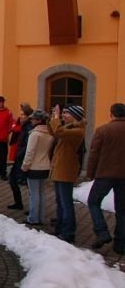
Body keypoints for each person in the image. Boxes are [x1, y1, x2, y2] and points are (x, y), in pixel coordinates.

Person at [86, 103, 125, 255]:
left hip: (105, 174)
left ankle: (102, 231)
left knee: (93, 202)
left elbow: (94, 154)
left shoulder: (103, 130)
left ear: (112, 114)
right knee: (122, 210)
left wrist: (90, 173)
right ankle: (120, 244)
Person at [48, 104, 86, 244]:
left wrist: (56, 118)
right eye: (63, 113)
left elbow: (58, 132)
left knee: (66, 202)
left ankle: (68, 232)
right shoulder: (69, 128)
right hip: (60, 168)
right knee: (60, 201)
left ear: (75, 116)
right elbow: (54, 132)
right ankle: (60, 227)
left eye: (67, 114)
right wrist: (53, 118)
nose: (64, 115)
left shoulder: (78, 130)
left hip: (66, 169)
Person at [20, 110, 52, 225]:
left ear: (39, 120)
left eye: (33, 119)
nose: (31, 120)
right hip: (45, 165)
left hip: (34, 166)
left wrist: (24, 166)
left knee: (34, 194)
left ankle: (33, 218)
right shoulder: (49, 133)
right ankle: (41, 217)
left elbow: (30, 152)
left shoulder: (34, 134)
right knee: (41, 193)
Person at [7, 103, 34, 210]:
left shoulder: (28, 128)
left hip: (23, 159)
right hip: (20, 158)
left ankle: (32, 208)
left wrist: (21, 157)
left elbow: (27, 146)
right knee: (13, 180)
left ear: (28, 116)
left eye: (23, 115)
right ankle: (19, 203)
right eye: (21, 114)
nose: (21, 116)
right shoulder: (24, 126)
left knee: (28, 185)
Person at [0, 96, 14, 180]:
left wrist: (7, 132)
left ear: (2, 103)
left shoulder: (8, 113)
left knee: (2, 157)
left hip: (2, 139)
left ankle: (3, 173)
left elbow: (12, 124)